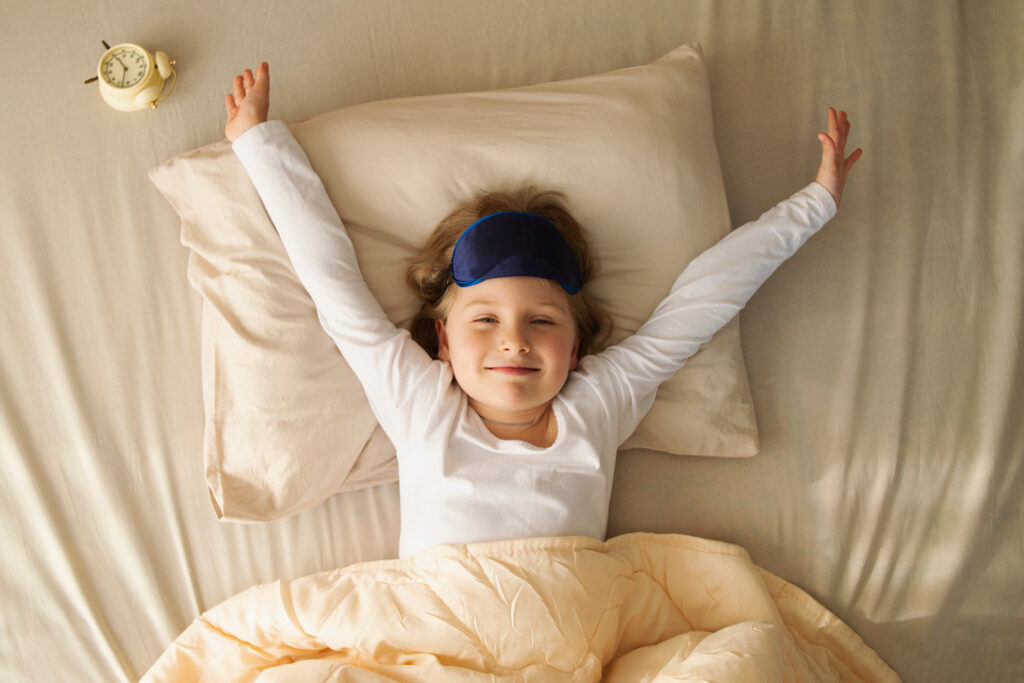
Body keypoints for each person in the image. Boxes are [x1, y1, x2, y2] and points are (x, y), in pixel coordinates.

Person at [225, 62, 862, 558]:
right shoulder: (422, 402)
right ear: (442, 340)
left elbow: (702, 300)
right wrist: (259, 144)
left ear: (577, 347)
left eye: (542, 321)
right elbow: (336, 289)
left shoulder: (601, 399)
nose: (514, 341)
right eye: (485, 319)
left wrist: (814, 204)